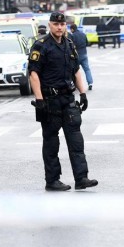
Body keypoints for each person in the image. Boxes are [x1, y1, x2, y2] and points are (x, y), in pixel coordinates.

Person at [28, 11, 98, 191]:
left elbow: (76, 70)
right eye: (56, 24)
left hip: (68, 98)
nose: (59, 27)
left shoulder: (69, 44)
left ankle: (81, 178)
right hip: (50, 101)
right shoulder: (41, 45)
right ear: (50, 25)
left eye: (62, 24)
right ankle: (52, 181)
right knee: (51, 143)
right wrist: (39, 99)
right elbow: (33, 73)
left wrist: (82, 93)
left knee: (76, 140)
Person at [69, 23, 93, 90]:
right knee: (87, 69)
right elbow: (87, 43)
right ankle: (90, 83)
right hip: (84, 54)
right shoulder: (83, 34)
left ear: (72, 29)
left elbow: (71, 46)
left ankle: (75, 84)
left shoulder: (72, 36)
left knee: (74, 70)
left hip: (76, 55)